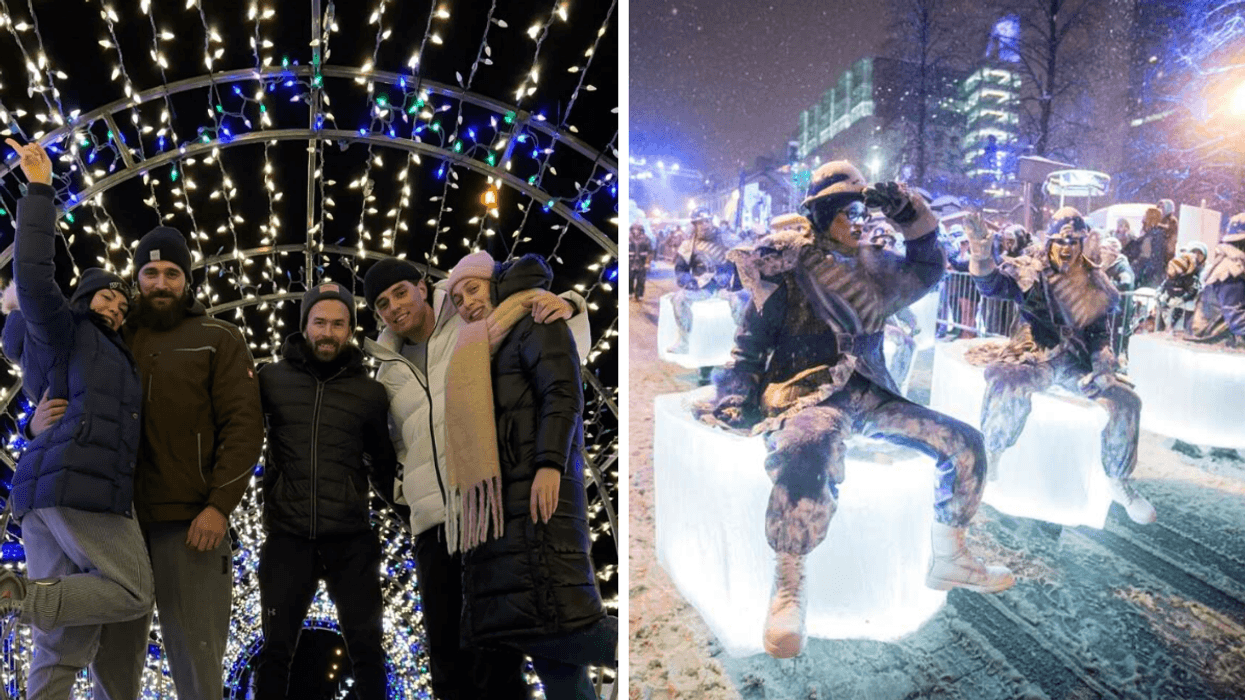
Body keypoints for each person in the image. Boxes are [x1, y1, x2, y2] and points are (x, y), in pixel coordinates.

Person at [703, 161, 1012, 660]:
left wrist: (910, 215)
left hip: (872, 394)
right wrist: (734, 396)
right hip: (808, 395)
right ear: (822, 215)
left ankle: (950, 555)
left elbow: (929, 268)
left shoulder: (876, 270)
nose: (860, 222)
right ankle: (789, 584)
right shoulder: (786, 270)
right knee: (808, 447)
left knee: (965, 442)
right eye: (848, 211)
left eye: (864, 212)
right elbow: (746, 349)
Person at [362, 256, 585, 699]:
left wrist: (570, 304)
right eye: (383, 304)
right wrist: (407, 494)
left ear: (423, 287)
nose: (394, 308)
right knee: (446, 658)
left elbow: (548, 343)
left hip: (485, 512)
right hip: (432, 527)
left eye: (400, 293)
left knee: (500, 654)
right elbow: (391, 445)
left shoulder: (471, 320)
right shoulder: (386, 371)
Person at [0, 140, 154, 700]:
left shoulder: (91, 349)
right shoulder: (66, 328)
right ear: (83, 296)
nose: (115, 306)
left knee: (61, 646)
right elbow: (36, 282)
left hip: (44, 491)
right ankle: (22, 594)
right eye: (107, 296)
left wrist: (28, 427)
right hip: (77, 486)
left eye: (121, 303)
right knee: (134, 590)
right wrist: (38, 187)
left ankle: (30, 598)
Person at [444, 251, 617, 700]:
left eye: (474, 289)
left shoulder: (536, 318)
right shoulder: (478, 346)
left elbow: (562, 393)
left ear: (496, 282)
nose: (467, 303)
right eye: (458, 298)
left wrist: (548, 464)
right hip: (504, 515)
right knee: (538, 651)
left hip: (538, 501)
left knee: (557, 636)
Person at [113, 225, 264, 700]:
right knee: (112, 669)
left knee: (198, 671)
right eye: (151, 272)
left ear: (188, 279)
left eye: (172, 273)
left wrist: (219, 505)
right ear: (137, 278)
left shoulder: (219, 337)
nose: (160, 283)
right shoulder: (114, 336)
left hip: (192, 529)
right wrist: (36, 426)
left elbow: (245, 427)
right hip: (119, 529)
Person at [252, 282, 401, 700]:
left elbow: (382, 463)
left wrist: (412, 514)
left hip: (351, 537)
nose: (328, 332)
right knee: (276, 649)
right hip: (287, 535)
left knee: (368, 649)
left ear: (350, 329)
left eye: (338, 324)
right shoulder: (271, 379)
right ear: (305, 325)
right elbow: (237, 433)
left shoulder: (370, 392)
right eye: (320, 322)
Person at [966, 207, 1156, 525]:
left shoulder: (1097, 283)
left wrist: (1103, 365)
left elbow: (1099, 336)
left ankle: (1118, 480)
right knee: (1009, 382)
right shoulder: (1031, 272)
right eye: (1060, 241)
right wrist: (981, 253)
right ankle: (991, 457)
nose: (1066, 248)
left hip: (1075, 364)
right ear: (1050, 242)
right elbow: (991, 287)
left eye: (1074, 241)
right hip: (1033, 354)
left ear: (1083, 244)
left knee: (1126, 401)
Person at [667, 208, 748, 355]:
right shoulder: (688, 245)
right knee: (678, 299)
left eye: (707, 221)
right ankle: (684, 342)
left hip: (724, 287)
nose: (704, 225)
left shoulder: (727, 239)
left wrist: (735, 282)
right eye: (700, 222)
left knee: (740, 301)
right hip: (701, 288)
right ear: (695, 225)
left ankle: (742, 343)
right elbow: (680, 270)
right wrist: (689, 281)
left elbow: (743, 260)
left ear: (712, 221)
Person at [1189, 213, 1245, 346]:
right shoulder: (1231, 271)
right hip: (1212, 340)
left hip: (1218, 337)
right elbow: (1236, 319)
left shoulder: (1235, 266)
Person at [1155, 241, 1208, 332]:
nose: (1196, 255)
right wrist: (1161, 294)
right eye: (1194, 252)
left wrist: (1184, 298)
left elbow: (1199, 289)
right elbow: (1167, 282)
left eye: (1200, 253)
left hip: (1192, 309)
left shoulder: (1205, 271)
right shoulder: (1181, 267)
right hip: (1175, 307)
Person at [628, 223, 652, 301]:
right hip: (630, 262)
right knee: (629, 278)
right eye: (634, 229)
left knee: (641, 280)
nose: (636, 231)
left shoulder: (646, 239)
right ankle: (629, 292)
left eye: (638, 229)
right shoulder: (628, 238)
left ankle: (639, 294)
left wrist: (647, 262)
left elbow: (650, 251)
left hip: (642, 262)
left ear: (641, 230)